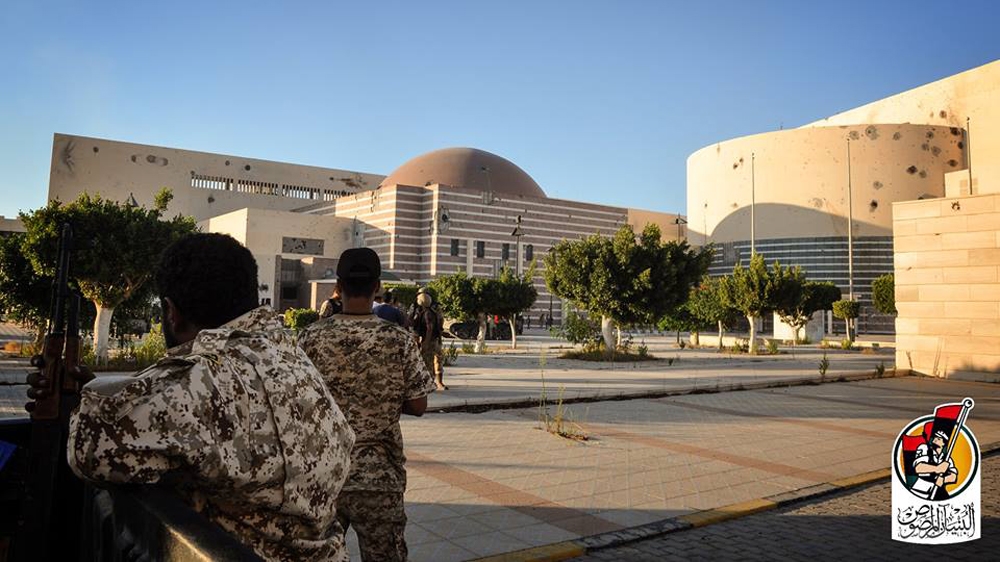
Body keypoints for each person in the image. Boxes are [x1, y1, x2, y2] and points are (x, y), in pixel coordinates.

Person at [27, 233, 356, 561]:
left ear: (172, 313)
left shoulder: (198, 380)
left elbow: (90, 453)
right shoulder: (290, 356)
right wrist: (101, 389)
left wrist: (74, 400)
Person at [298, 248, 436, 562]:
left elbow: (295, 405)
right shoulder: (398, 339)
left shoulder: (308, 339)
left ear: (338, 285)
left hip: (323, 477)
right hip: (379, 479)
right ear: (377, 287)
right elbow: (418, 404)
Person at [912, 429, 959, 500]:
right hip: (922, 489)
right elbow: (918, 468)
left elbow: (953, 476)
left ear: (943, 443)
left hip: (938, 489)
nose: (935, 439)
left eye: (939, 439)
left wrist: (943, 480)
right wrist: (937, 469)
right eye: (935, 437)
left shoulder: (947, 459)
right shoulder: (924, 448)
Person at [414, 292, 447, 391]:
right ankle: (437, 383)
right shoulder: (434, 311)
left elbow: (429, 328)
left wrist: (425, 343)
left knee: (428, 363)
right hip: (436, 339)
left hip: (430, 340)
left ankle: (429, 384)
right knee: (437, 361)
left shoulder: (426, 313)